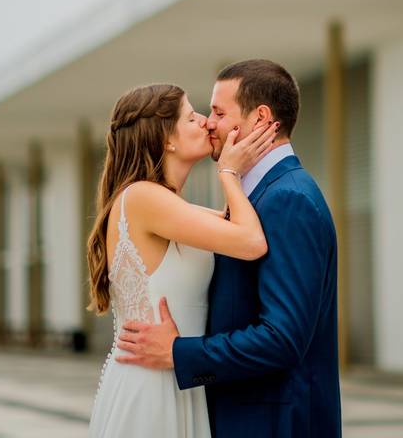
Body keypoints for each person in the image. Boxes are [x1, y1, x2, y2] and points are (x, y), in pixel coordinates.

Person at [115, 60, 342, 438]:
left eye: (219, 112)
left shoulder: (288, 199)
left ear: (260, 118)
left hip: (273, 425)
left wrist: (180, 352)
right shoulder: (257, 197)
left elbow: (282, 338)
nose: (209, 122)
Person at [88, 82, 278, 437]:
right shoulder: (144, 197)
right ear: (166, 139)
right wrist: (228, 173)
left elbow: (236, 225)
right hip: (150, 387)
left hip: (175, 375)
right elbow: (251, 242)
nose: (206, 122)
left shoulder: (170, 206)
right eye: (192, 117)